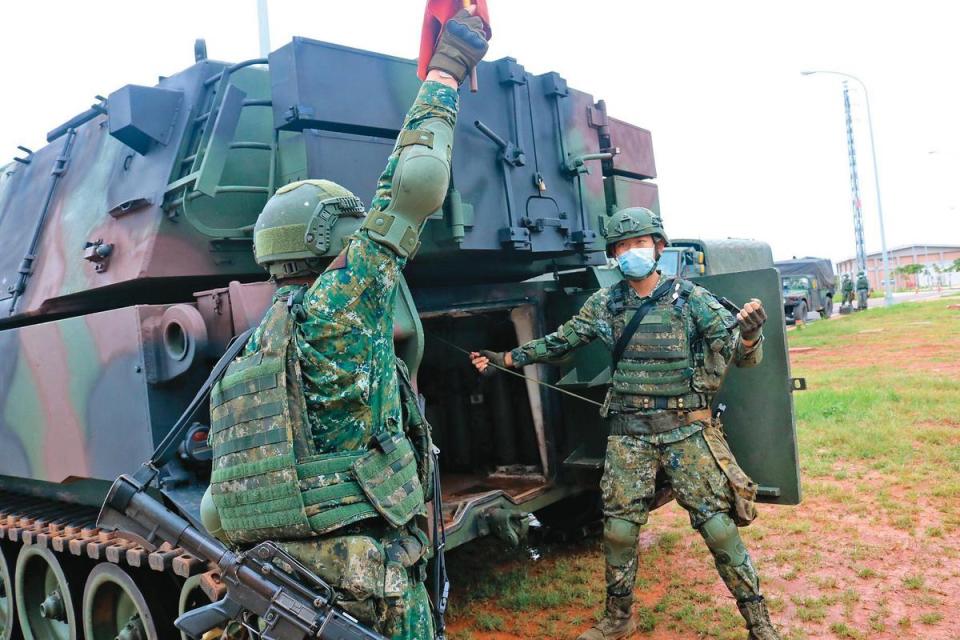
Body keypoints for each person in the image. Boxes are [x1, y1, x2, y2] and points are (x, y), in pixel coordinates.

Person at [201, 10, 489, 639]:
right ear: (333, 239)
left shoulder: (246, 356)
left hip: (287, 585)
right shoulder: (339, 311)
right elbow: (413, 186)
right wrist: (446, 71)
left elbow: (216, 509)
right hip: (367, 586)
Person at [471, 208, 780, 640]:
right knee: (618, 529)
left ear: (657, 246)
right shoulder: (606, 303)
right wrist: (505, 358)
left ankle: (759, 624)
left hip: (686, 432)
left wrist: (750, 334)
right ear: (614, 255)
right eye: (622, 246)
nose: (631, 251)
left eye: (639, 243)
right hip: (629, 435)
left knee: (718, 527)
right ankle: (619, 618)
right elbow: (561, 342)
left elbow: (744, 358)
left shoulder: (691, 300)